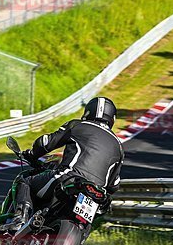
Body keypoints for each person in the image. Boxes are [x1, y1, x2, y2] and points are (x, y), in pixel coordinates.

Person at [11, 97, 124, 232]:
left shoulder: (77, 125)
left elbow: (45, 143)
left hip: (69, 177)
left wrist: (31, 154)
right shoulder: (119, 146)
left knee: (25, 182)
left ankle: (19, 219)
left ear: (88, 112)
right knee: (90, 221)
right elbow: (114, 184)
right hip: (97, 192)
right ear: (112, 118)